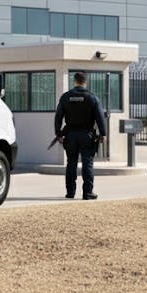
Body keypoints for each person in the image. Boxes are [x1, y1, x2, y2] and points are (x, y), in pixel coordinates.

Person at [54, 72, 107, 200]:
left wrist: (58, 133)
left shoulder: (66, 97)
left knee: (71, 163)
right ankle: (87, 192)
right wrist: (102, 134)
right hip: (87, 134)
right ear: (85, 82)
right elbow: (100, 118)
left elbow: (58, 117)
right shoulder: (92, 97)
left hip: (71, 134)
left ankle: (70, 192)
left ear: (74, 81)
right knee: (87, 163)